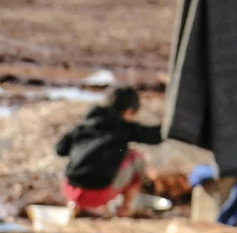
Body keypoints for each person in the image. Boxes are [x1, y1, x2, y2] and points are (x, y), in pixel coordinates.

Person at [54, 85, 166, 216]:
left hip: (70, 189)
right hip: (98, 194)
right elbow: (157, 136)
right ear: (129, 111)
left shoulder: (84, 125)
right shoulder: (123, 128)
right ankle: (125, 209)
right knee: (136, 157)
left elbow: (59, 150)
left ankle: (74, 206)